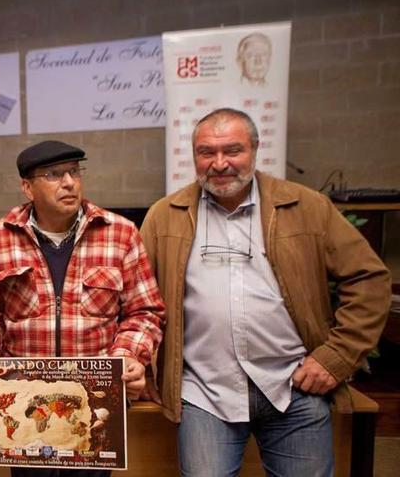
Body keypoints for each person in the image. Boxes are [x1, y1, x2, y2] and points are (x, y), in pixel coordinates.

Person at [140, 107, 391, 476]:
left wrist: (335, 357)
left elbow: (369, 278)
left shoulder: (306, 208)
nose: (220, 163)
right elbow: (139, 300)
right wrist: (146, 371)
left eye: (233, 150)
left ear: (255, 150)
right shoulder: (165, 216)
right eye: (206, 152)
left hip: (294, 389)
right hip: (205, 393)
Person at [0, 140, 166, 477]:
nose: (69, 183)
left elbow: (144, 311)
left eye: (75, 172)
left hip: (95, 401)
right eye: (54, 175)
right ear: (27, 187)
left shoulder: (120, 234)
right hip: (24, 402)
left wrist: (128, 358)